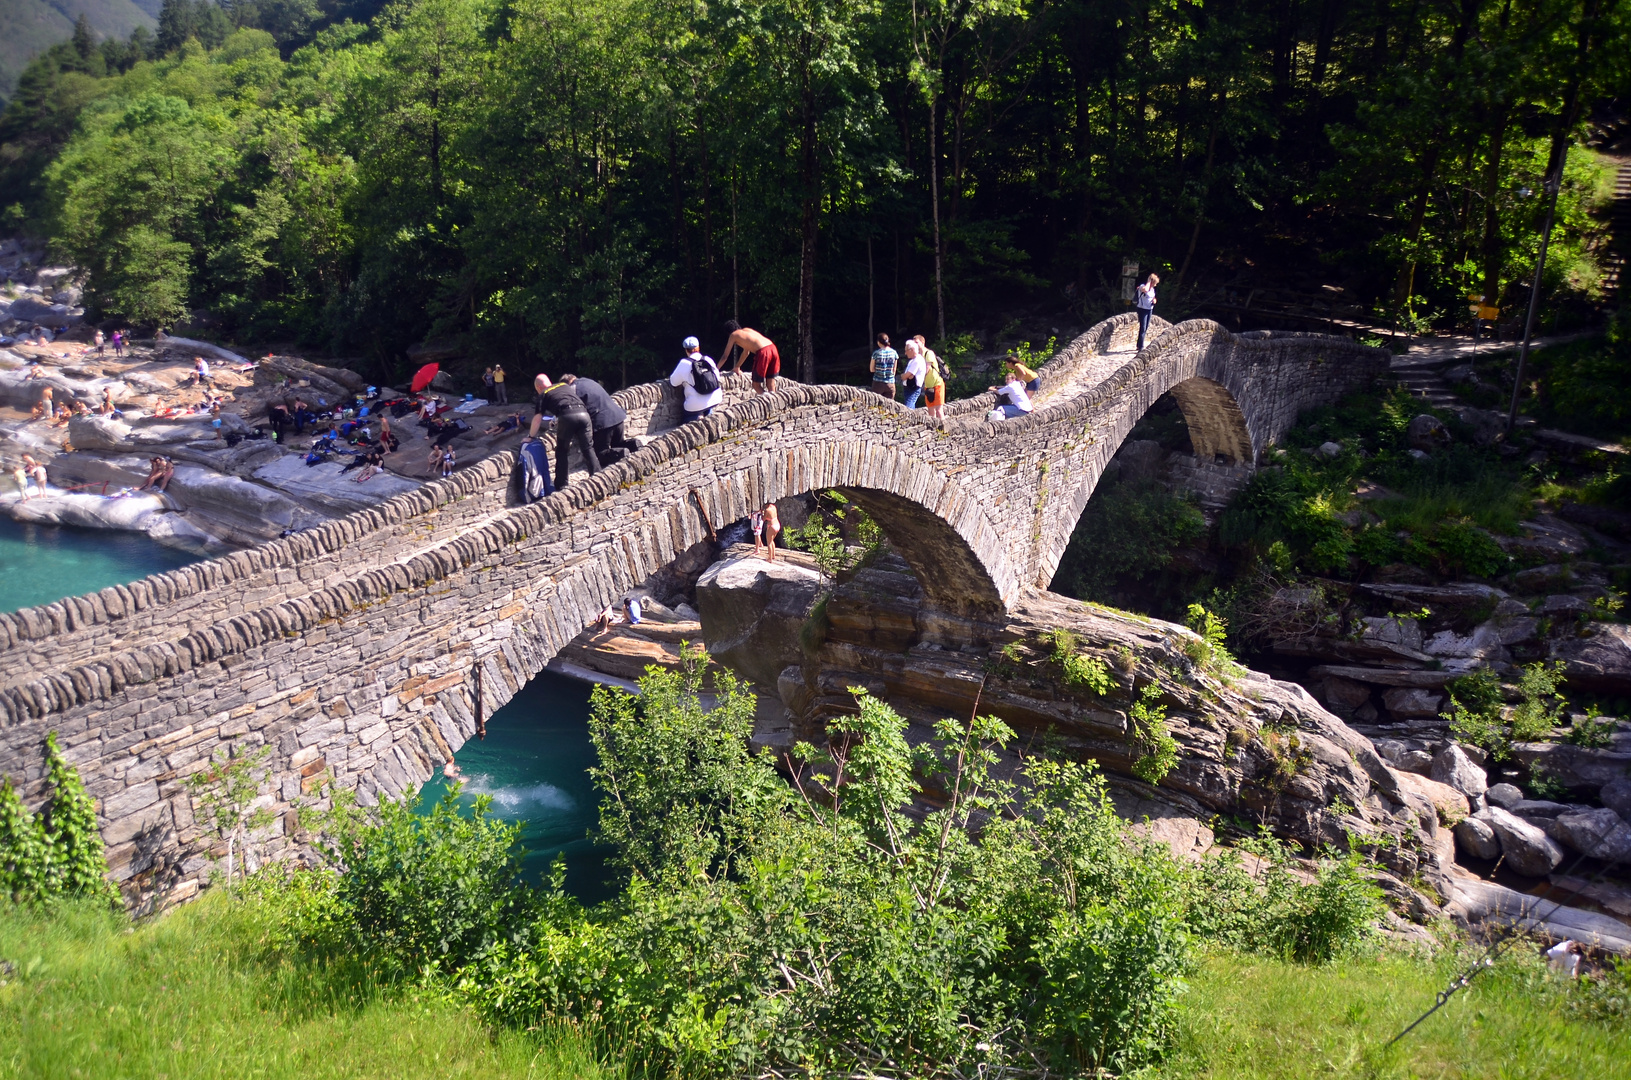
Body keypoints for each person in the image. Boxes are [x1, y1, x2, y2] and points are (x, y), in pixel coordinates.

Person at [529, 373, 601, 491]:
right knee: (588, 448)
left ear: (538, 388)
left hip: (567, 416)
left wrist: (530, 436)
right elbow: (569, 400)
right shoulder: (564, 386)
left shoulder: (544, 394)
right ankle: (598, 477)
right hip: (584, 414)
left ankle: (561, 485)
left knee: (562, 451)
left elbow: (537, 418)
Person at [562, 374, 639, 463]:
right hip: (618, 417)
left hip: (603, 424)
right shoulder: (588, 381)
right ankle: (634, 445)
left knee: (600, 454)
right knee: (618, 444)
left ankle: (622, 454)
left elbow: (570, 410)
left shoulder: (573, 389)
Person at [669, 337, 723, 422]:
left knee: (686, 417)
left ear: (686, 350)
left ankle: (697, 419)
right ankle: (708, 417)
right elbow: (717, 377)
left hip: (695, 405)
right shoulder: (707, 359)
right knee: (707, 407)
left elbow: (673, 382)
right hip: (715, 398)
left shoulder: (684, 363)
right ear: (698, 348)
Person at [721, 320, 780, 393]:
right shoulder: (747, 330)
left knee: (756, 385)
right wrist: (737, 367)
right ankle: (774, 401)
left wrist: (715, 369)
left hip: (763, 352)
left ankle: (768, 401)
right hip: (773, 348)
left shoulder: (733, 335)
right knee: (770, 384)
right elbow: (746, 352)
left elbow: (725, 356)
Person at [869, 333, 898, 399]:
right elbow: (894, 371)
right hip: (890, 383)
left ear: (878, 342)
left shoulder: (876, 353)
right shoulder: (894, 353)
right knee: (889, 407)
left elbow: (871, 369)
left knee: (875, 405)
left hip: (877, 383)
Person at [922, 346, 947, 422]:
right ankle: (934, 430)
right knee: (931, 410)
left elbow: (927, 368)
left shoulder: (928, 353)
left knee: (939, 410)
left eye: (917, 342)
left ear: (922, 342)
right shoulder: (919, 355)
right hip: (928, 386)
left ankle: (943, 430)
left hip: (937, 384)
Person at [900, 339, 926, 409]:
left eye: (906, 351)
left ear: (911, 350)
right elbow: (909, 375)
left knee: (909, 407)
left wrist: (904, 376)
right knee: (910, 405)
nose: (905, 353)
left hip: (913, 388)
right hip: (909, 388)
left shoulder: (917, 360)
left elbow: (908, 375)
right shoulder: (912, 360)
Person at [1136, 272, 1159, 351]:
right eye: (1154, 283)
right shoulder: (1143, 286)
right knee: (1143, 327)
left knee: (1145, 327)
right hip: (1142, 309)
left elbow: (1152, 297)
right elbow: (1145, 290)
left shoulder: (1152, 289)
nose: (1155, 285)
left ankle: (1139, 344)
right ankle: (1141, 347)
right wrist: (1149, 281)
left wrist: (1154, 300)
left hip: (1149, 309)